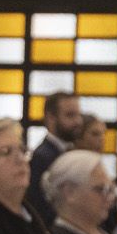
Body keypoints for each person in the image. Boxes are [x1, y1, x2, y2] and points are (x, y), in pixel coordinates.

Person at [24, 91, 84, 223]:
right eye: (70, 115)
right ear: (51, 118)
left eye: (79, 115)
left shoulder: (71, 152)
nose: (78, 121)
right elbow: (40, 208)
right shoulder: (41, 158)